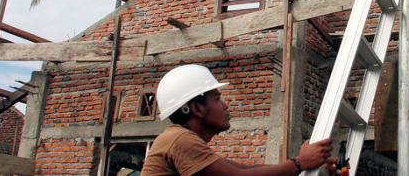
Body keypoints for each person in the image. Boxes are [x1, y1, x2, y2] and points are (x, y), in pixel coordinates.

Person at [141, 64, 340, 175]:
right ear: (196, 108)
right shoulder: (179, 140)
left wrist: (306, 164)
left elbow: (246, 169)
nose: (225, 105)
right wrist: (300, 163)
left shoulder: (181, 140)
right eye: (217, 99)